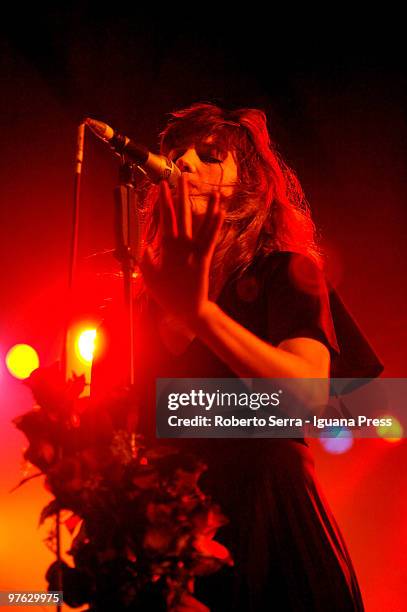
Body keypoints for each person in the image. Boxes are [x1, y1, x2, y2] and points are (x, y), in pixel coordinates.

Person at [92, 103, 382, 611]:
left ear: (247, 183)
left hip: (271, 522)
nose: (184, 164)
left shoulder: (286, 273)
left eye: (209, 156)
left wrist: (203, 316)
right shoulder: (139, 301)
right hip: (172, 542)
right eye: (175, 155)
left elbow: (309, 397)